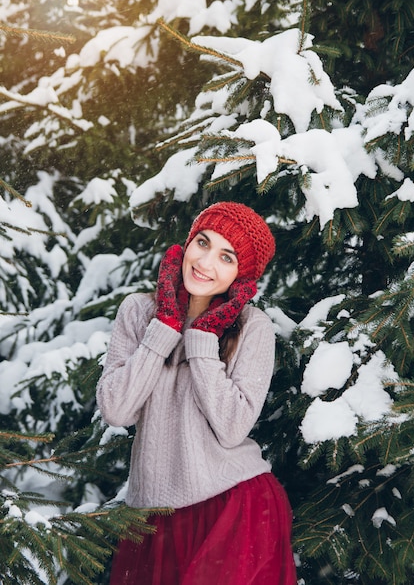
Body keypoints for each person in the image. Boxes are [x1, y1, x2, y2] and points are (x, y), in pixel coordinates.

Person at [96, 201, 297, 585]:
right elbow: (116, 409)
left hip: (231, 507)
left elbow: (232, 427)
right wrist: (165, 327)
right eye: (202, 243)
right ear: (186, 245)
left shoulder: (254, 327)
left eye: (226, 257)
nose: (206, 262)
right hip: (151, 519)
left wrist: (202, 338)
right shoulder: (139, 311)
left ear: (242, 276)